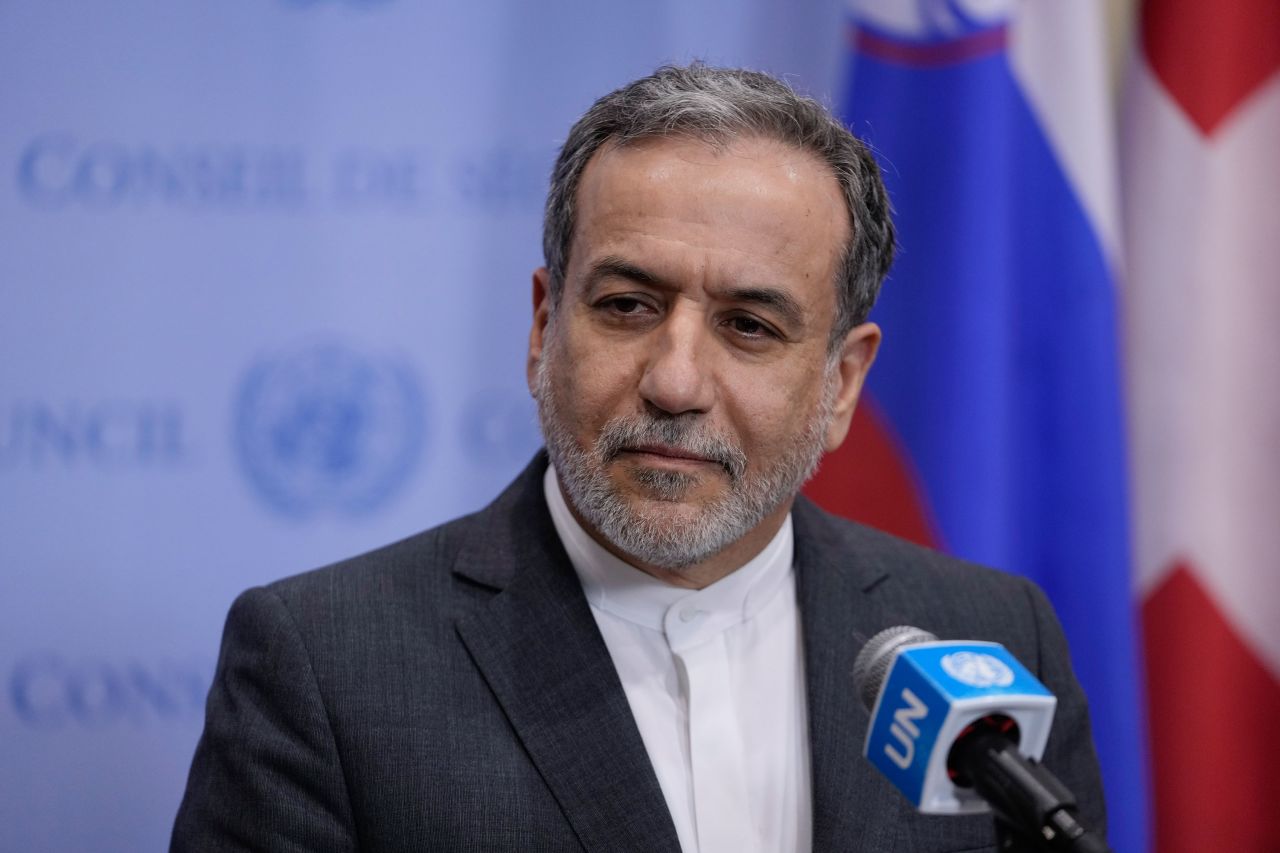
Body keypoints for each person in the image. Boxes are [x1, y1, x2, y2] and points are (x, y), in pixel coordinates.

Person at [172, 64, 1106, 852]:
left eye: (749, 325)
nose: (675, 379)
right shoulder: (324, 664)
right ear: (544, 327)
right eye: (627, 305)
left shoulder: (988, 633)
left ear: (842, 384)